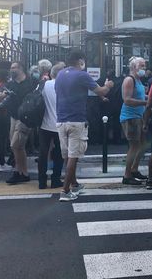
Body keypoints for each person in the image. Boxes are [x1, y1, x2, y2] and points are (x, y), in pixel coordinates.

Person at [56, 50, 113, 201]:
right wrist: (108, 85)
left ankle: (74, 184)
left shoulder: (60, 74)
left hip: (61, 120)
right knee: (73, 156)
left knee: (67, 156)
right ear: (80, 61)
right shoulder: (82, 75)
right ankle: (65, 191)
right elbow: (101, 90)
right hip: (76, 120)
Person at [2, 61, 37, 184]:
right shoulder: (10, 84)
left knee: (15, 144)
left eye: (14, 67)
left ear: (21, 68)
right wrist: (2, 96)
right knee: (18, 147)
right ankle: (23, 172)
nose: (12, 70)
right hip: (13, 117)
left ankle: (18, 171)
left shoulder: (32, 82)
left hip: (25, 117)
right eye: (11, 68)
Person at [119, 56, 148, 185]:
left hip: (138, 116)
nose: (144, 68)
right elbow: (127, 99)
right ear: (133, 67)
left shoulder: (139, 81)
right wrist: (145, 102)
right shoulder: (129, 80)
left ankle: (134, 169)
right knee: (134, 145)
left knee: (142, 144)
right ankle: (127, 175)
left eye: (144, 65)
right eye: (141, 66)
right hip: (130, 117)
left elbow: (141, 95)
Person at [38, 63, 64, 189]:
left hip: (44, 124)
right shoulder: (64, 86)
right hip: (60, 124)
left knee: (43, 153)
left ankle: (41, 181)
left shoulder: (43, 85)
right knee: (59, 154)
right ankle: (56, 179)